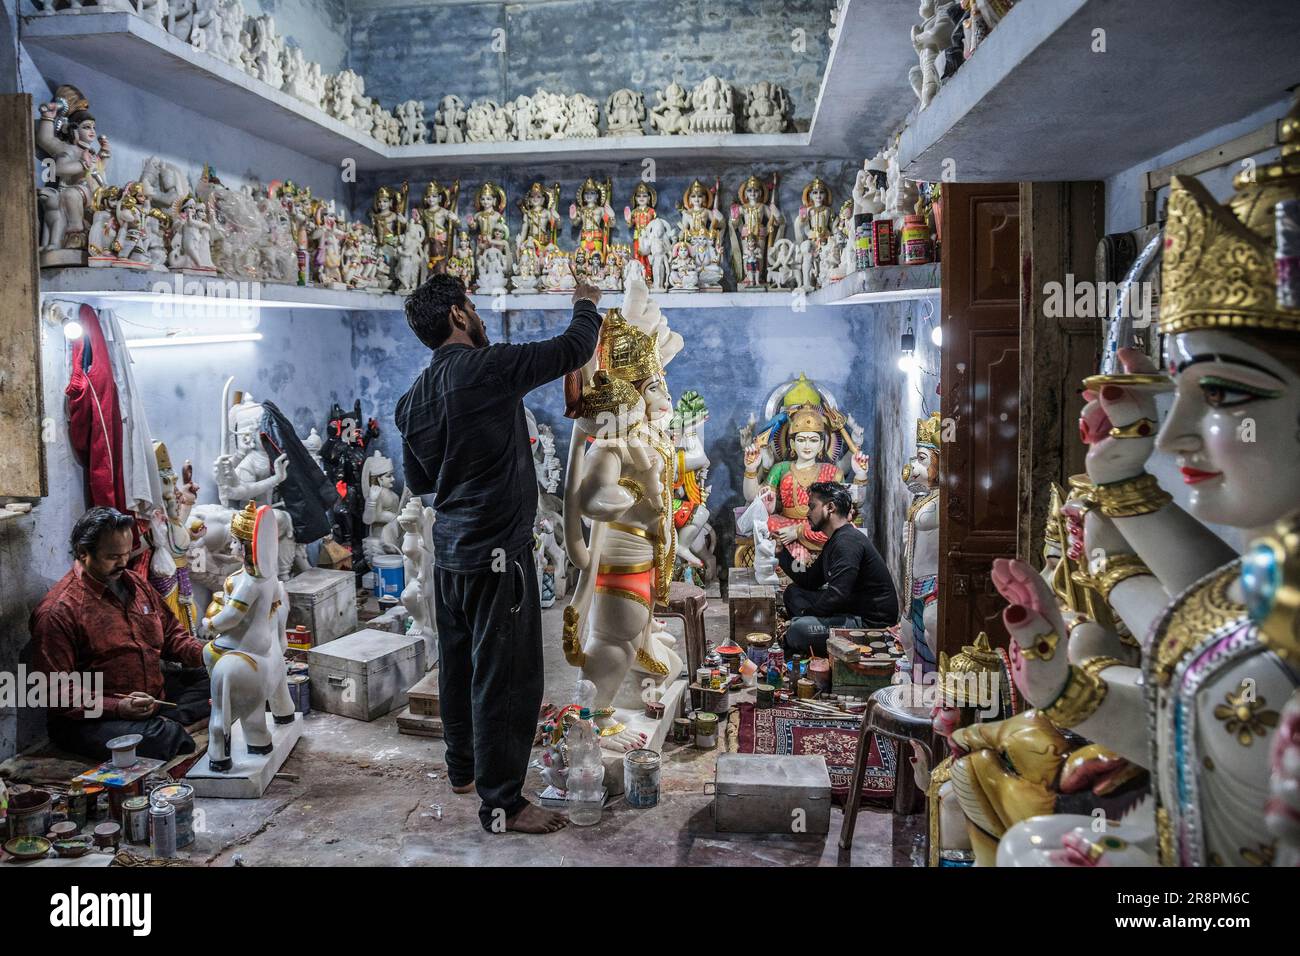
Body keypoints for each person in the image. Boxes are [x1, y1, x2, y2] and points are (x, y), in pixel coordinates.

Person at [395, 272, 603, 835]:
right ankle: (503, 805)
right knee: (506, 677)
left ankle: (463, 771)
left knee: (458, 666)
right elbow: (573, 348)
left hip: (452, 554)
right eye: (474, 306)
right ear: (459, 316)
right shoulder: (489, 369)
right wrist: (586, 303)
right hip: (496, 555)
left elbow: (421, 482)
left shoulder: (411, 401)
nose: (481, 316)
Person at [29, 506, 211, 761]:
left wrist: (210, 653)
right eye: (113, 556)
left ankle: (159, 719)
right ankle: (164, 725)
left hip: (151, 695)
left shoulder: (134, 583)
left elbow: (171, 635)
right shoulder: (59, 611)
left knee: (216, 677)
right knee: (162, 737)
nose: (123, 563)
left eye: (126, 554)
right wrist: (118, 706)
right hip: (92, 718)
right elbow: (54, 691)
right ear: (84, 553)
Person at [776, 481, 899, 657]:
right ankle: (809, 629)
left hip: (869, 625)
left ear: (830, 507)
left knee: (799, 631)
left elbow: (836, 595)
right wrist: (781, 553)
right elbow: (810, 579)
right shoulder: (835, 540)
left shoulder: (846, 542)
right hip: (850, 608)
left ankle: (802, 635)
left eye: (812, 507)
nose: (808, 513)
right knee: (793, 593)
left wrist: (806, 618)